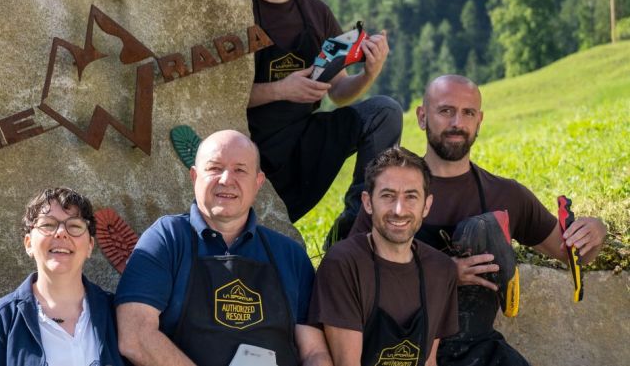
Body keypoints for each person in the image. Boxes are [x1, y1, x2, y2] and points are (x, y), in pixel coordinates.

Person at [350, 75, 608, 365]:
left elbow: (571, 254)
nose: (457, 123)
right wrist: (442, 273)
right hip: (400, 351)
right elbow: (351, 276)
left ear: (479, 120)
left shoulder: (506, 194)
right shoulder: (392, 194)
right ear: (423, 117)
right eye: (446, 111)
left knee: (482, 227)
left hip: (477, 350)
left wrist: (596, 231)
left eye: (468, 113)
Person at [245, 0, 403, 238]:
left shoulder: (316, 13)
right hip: (250, 147)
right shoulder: (238, 10)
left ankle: (356, 226)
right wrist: (282, 89)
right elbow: (217, 95)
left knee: (384, 112)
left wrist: (368, 74)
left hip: (305, 141)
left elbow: (338, 91)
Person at [115, 130, 332, 366]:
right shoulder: (167, 239)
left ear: (258, 182)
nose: (226, 179)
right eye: (215, 168)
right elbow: (135, 337)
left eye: (240, 170)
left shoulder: (290, 255)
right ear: (195, 176)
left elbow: (314, 353)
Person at [310, 147, 458, 366]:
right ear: (368, 202)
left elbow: (429, 361)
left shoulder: (441, 270)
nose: (399, 210)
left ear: (426, 205)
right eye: (388, 196)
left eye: (411, 196)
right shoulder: (344, 263)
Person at [0, 187, 125, 366]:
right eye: (48, 225)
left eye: (74, 225)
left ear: (90, 245)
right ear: (28, 243)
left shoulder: (117, 314)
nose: (61, 233)